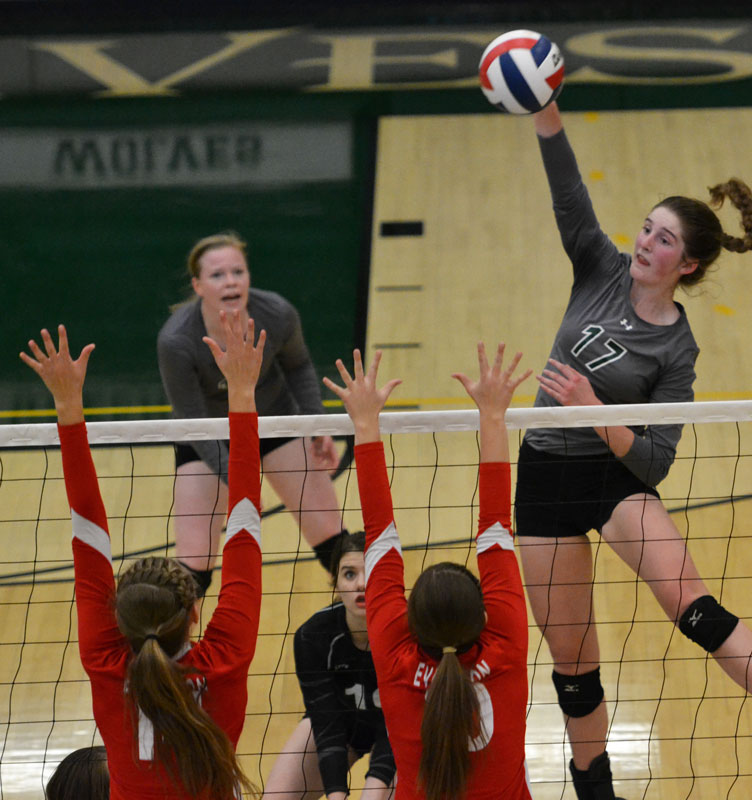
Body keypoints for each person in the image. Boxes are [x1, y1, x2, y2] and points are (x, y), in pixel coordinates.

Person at [513, 101, 752, 800]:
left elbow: (654, 462)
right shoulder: (596, 267)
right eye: (646, 228)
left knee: (696, 610)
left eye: (663, 239)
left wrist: (595, 410)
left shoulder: (676, 346)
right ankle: (596, 792)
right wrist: (544, 106)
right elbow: (566, 188)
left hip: (613, 479)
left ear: (689, 263)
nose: (645, 242)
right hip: (545, 477)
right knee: (575, 668)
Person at [21, 313, 263, 798]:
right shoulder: (222, 663)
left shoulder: (108, 664)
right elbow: (242, 523)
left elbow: (241, 526)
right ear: (196, 613)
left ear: (118, 618)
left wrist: (67, 404)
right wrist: (241, 390)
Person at [323, 344, 532, 799]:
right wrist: (494, 416)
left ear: (411, 621)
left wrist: (364, 421)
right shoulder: (508, 647)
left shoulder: (397, 657)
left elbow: (379, 535)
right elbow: (497, 529)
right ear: (484, 615)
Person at [157, 232, 345, 595]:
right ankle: (174, 646)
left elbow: (299, 367)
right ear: (197, 285)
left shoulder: (276, 313)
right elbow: (193, 422)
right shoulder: (177, 341)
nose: (230, 281)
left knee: (336, 544)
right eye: (217, 275)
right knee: (191, 568)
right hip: (208, 435)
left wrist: (317, 424)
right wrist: (238, 479)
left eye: (238, 271)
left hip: (272, 422)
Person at [264, 531, 397, 800]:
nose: (361, 584)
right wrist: (337, 794)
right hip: (343, 724)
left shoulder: (406, 631)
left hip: (400, 734)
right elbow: (325, 722)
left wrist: (375, 785)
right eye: (349, 574)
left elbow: (402, 721)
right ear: (335, 582)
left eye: (370, 572)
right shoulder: (313, 636)